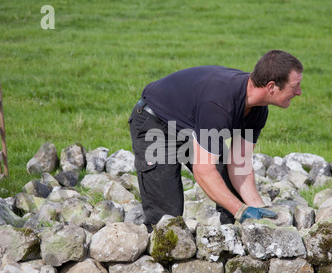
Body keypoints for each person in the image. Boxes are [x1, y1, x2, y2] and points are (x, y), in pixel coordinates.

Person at [128, 50, 303, 231]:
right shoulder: (219, 104)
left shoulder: (258, 110)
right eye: (295, 86)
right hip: (156, 124)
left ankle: (229, 246)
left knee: (233, 194)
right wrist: (241, 211)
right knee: (167, 219)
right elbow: (204, 170)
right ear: (272, 86)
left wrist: (260, 211)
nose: (299, 92)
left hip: (193, 124)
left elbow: (240, 164)